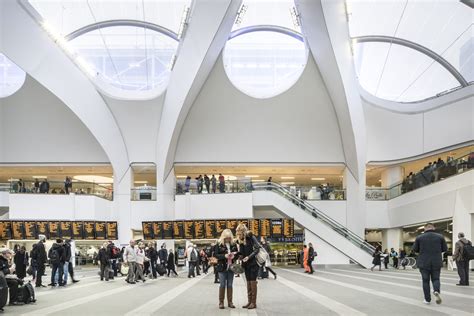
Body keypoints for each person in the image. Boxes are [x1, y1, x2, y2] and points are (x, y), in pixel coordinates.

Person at [412, 223, 447, 305]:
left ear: (425, 228)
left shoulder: (419, 237)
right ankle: (436, 290)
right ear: (433, 228)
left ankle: (427, 299)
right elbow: (444, 249)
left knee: (425, 281)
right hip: (436, 262)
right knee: (436, 279)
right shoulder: (440, 237)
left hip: (424, 262)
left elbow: (415, 250)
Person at [236, 223, 260, 310]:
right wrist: (239, 256)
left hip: (253, 263)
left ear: (243, 231)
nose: (238, 235)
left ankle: (253, 302)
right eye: (237, 233)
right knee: (248, 282)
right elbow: (242, 253)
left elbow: (257, 248)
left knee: (253, 282)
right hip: (246, 264)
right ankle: (249, 301)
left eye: (239, 233)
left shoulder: (250, 236)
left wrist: (248, 257)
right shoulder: (240, 240)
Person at [214, 229, 238, 309]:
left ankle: (230, 302)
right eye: (226, 238)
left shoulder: (233, 244)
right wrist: (224, 256)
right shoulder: (218, 244)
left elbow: (237, 254)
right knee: (222, 284)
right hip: (222, 267)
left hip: (231, 267)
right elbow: (216, 255)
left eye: (229, 238)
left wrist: (234, 255)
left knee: (230, 285)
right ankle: (221, 302)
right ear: (223, 237)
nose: (228, 239)